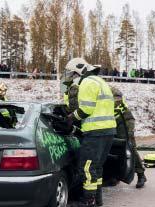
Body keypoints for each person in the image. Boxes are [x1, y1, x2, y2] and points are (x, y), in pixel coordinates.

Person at [64, 58, 116, 207]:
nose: (73, 78)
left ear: (79, 71)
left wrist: (71, 117)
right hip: (108, 131)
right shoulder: (100, 81)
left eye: (73, 75)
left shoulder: (86, 83)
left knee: (87, 167)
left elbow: (86, 109)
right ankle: (97, 199)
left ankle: (88, 201)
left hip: (95, 132)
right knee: (97, 167)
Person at [111, 87, 147, 188]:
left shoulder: (121, 106)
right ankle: (115, 176)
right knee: (114, 152)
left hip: (125, 127)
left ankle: (141, 175)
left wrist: (130, 133)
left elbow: (130, 120)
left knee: (130, 151)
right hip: (113, 128)